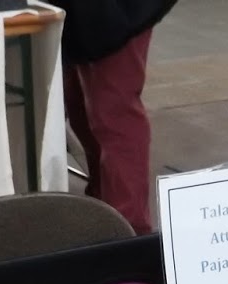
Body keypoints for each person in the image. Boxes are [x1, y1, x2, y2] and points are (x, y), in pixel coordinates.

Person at [52, 0, 179, 234]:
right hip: (82, 14)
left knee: (114, 112)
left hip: (116, 11)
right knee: (79, 105)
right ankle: (103, 205)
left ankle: (128, 229)